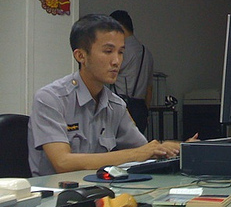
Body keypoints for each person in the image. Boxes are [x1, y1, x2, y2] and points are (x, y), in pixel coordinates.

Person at [28, 14, 196, 176]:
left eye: (121, 52)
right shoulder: (50, 99)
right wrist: (135, 154)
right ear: (81, 56)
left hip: (99, 192)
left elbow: (145, 149)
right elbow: (63, 163)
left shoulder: (115, 104)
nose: (116, 61)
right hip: (55, 197)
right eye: (108, 51)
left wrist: (177, 148)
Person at [109, 10, 153, 133]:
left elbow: (105, 73)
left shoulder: (123, 51)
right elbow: (149, 89)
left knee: (120, 149)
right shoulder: (147, 53)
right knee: (138, 148)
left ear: (119, 27)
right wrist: (145, 111)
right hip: (141, 108)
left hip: (122, 106)